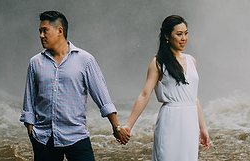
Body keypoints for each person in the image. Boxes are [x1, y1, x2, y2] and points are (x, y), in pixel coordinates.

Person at [21, 10, 129, 161]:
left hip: (76, 136)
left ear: (60, 31)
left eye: (45, 31)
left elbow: (102, 96)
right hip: (44, 138)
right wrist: (31, 129)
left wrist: (116, 127)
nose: (41, 36)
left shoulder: (85, 60)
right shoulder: (35, 62)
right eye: (40, 31)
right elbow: (29, 100)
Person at [121, 15, 211, 161]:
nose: (184, 38)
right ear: (167, 36)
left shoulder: (191, 60)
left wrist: (203, 128)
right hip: (170, 120)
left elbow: (193, 97)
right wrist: (128, 126)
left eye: (186, 33)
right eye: (179, 34)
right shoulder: (158, 63)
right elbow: (145, 94)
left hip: (190, 121)